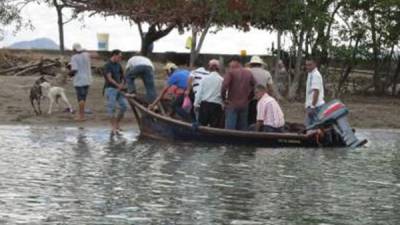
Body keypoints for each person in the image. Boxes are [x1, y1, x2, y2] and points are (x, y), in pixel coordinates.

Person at [221, 56, 255, 130]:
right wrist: (249, 98)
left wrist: (224, 99)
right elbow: (254, 87)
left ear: (235, 62)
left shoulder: (231, 72)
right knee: (242, 128)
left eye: (231, 64)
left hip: (232, 103)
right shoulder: (249, 73)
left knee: (230, 129)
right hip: (244, 104)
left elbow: (224, 86)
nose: (230, 66)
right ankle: (242, 141)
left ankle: (229, 141)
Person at [103, 49, 128, 135]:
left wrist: (123, 84)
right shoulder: (107, 65)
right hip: (110, 89)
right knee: (112, 108)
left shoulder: (118, 65)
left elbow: (123, 76)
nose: (120, 58)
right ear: (114, 55)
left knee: (124, 106)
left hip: (119, 89)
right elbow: (109, 78)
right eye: (119, 56)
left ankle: (117, 124)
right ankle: (113, 127)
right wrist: (118, 85)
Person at [194, 59, 223, 127]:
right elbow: (224, 93)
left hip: (205, 105)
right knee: (214, 127)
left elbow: (199, 92)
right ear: (218, 68)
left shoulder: (204, 78)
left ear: (209, 68)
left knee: (202, 126)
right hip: (217, 106)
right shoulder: (221, 80)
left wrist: (196, 104)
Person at [247, 56, 276, 125]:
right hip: (263, 99)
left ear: (251, 64)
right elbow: (271, 88)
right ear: (260, 64)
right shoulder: (267, 73)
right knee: (262, 119)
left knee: (250, 119)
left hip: (250, 100)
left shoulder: (248, 72)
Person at [69, 43, 92, 121]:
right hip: (88, 79)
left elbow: (74, 70)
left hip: (79, 80)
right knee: (84, 98)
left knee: (80, 98)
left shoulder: (74, 57)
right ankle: (81, 115)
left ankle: (81, 116)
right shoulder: (87, 55)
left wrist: (69, 74)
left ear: (74, 49)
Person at [305, 58, 325, 128]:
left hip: (316, 106)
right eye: (306, 65)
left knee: (311, 128)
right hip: (312, 105)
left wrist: (312, 106)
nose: (308, 67)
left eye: (310, 65)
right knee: (310, 127)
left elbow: (316, 91)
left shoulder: (316, 75)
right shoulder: (310, 73)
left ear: (315, 64)